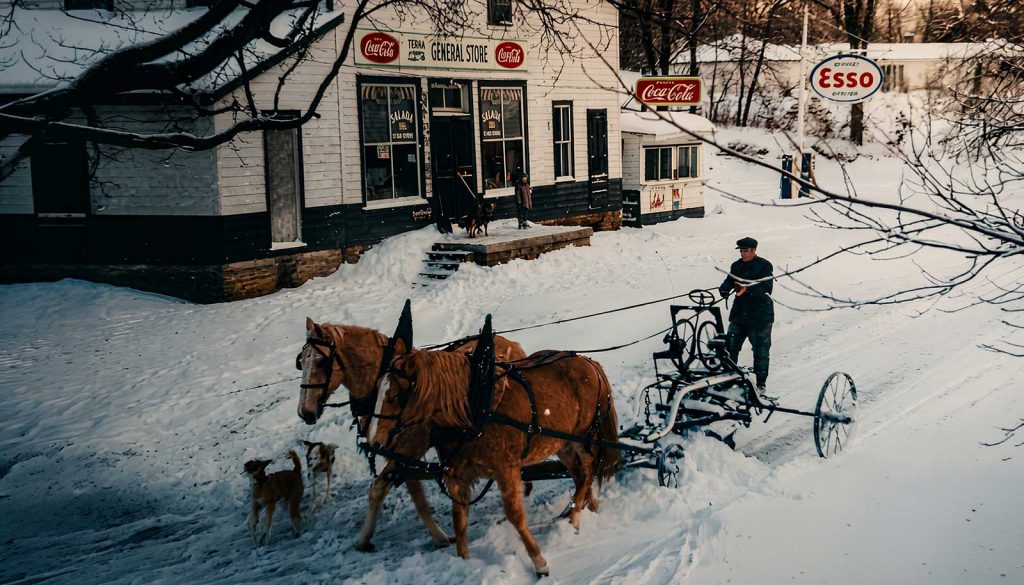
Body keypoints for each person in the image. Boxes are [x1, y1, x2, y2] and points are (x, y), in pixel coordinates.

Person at [718, 237, 774, 396]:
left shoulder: (764, 266)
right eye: (741, 251)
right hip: (739, 315)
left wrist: (746, 289)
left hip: (760, 317)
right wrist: (724, 289)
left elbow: (767, 288)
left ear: (753, 250)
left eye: (745, 250)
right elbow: (729, 281)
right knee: (730, 348)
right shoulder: (736, 265)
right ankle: (728, 378)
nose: (742, 253)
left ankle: (761, 384)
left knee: (761, 351)